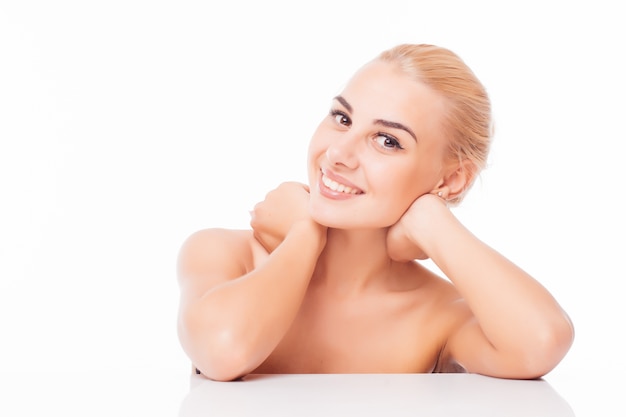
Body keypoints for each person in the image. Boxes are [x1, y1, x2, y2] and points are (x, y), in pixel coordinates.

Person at [176, 44, 574, 382]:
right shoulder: (226, 256)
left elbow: (541, 341)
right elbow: (222, 349)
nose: (337, 154)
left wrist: (432, 222)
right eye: (342, 118)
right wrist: (306, 233)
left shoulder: (439, 316)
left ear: (451, 180)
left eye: (386, 141)